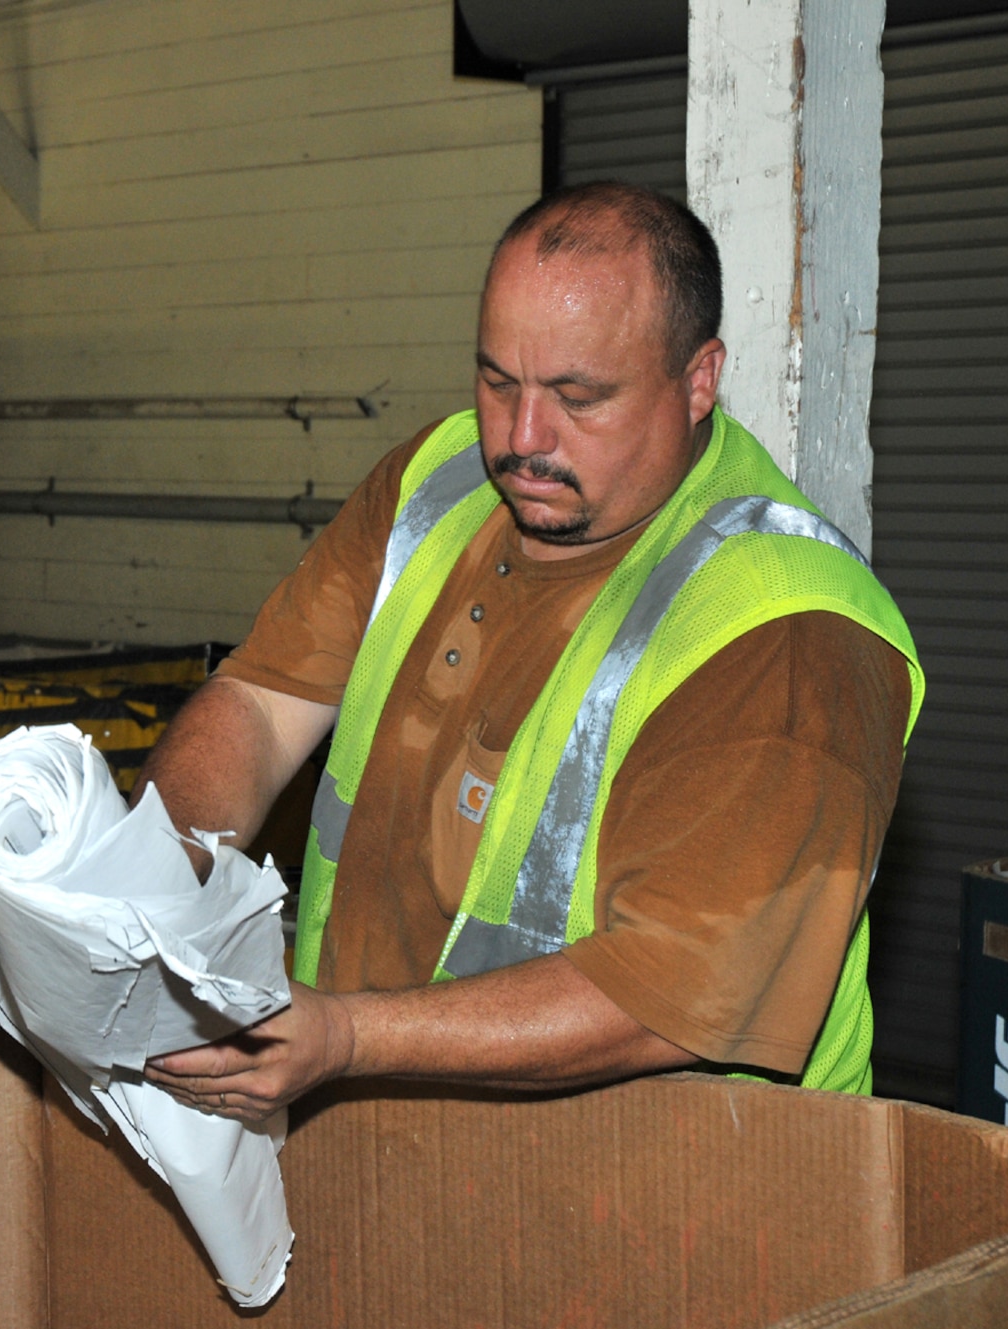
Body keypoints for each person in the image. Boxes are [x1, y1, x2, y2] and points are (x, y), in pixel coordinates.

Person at [137, 181, 923, 1125]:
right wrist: (147, 896)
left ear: (699, 378)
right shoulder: (435, 483)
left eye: (578, 396)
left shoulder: (786, 630)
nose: (520, 440)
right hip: (379, 1135)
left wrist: (345, 1037)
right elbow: (262, 706)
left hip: (681, 1203)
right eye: (497, 381)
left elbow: (669, 996)